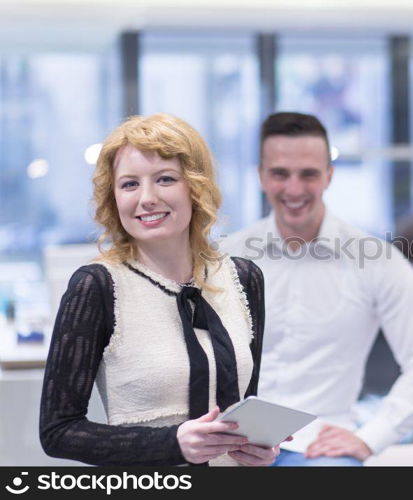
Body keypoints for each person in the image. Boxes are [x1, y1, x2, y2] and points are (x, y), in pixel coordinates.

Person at [39, 113, 280, 466]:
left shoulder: (243, 278)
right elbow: (58, 431)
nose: (147, 198)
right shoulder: (97, 286)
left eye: (165, 179)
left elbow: (245, 404)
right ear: (113, 196)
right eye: (129, 184)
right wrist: (173, 444)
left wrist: (259, 447)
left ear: (196, 188)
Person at [220, 112, 413, 466]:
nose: (294, 189)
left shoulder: (376, 260)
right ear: (261, 176)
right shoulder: (225, 257)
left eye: (308, 174)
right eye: (280, 173)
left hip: (318, 448)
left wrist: (371, 437)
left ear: (329, 174)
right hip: (230, 444)